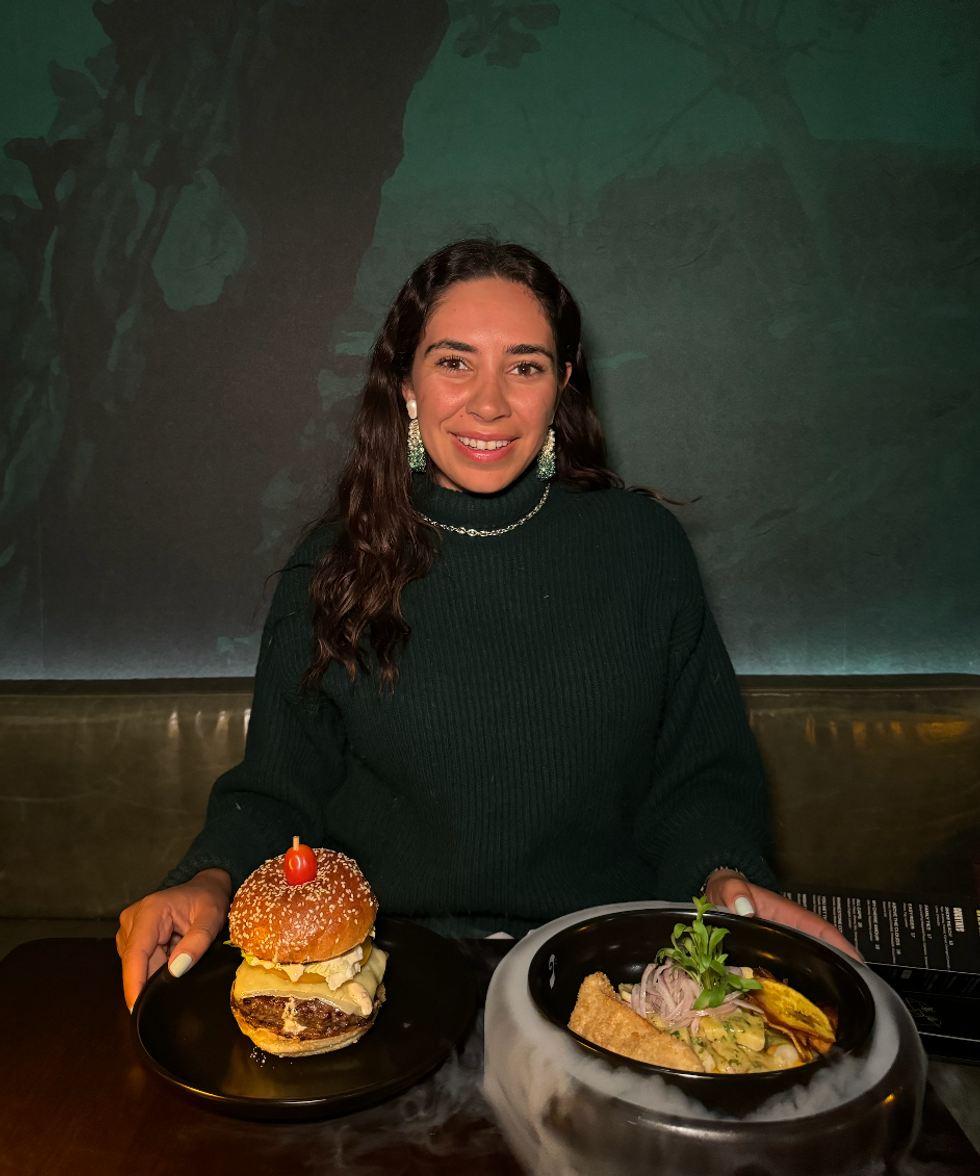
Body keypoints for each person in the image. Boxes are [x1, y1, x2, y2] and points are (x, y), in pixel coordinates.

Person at [117, 240, 859, 1010]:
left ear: (563, 383)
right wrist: (206, 880)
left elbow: (699, 779)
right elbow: (277, 797)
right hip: (387, 985)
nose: (490, 403)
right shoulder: (328, 568)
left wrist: (724, 877)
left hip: (608, 978)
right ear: (405, 381)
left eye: (526, 366)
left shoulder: (644, 549)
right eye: (454, 362)